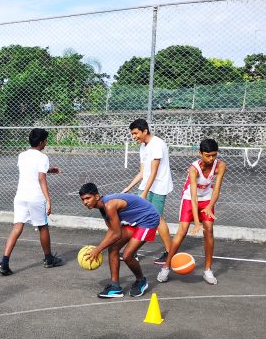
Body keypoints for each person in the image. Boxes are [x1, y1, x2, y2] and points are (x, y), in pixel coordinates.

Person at [157, 138, 227, 285]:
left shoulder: (220, 165)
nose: (211, 158)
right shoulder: (193, 169)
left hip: (208, 198)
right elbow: (194, 197)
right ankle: (166, 266)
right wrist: (196, 222)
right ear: (200, 153)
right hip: (190, 198)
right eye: (207, 155)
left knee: (208, 229)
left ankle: (208, 270)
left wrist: (209, 206)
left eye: (214, 155)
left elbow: (217, 190)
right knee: (182, 231)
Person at [0, 127, 64, 275]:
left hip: (20, 196)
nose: (46, 142)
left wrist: (50, 169)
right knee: (43, 227)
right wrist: (48, 199)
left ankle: (4, 262)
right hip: (36, 197)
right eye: (46, 140)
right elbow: (40, 178)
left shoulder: (22, 155)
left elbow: (31, 170)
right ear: (41, 142)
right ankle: (48, 259)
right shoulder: (42, 157)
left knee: (17, 227)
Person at [78, 182, 161, 298]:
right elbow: (112, 231)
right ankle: (115, 287)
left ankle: (141, 280)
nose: (85, 202)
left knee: (127, 255)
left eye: (88, 198)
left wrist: (98, 249)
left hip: (148, 219)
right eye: (83, 199)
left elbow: (116, 234)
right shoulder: (102, 208)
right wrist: (100, 248)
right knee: (113, 248)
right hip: (135, 221)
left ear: (96, 196)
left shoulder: (109, 205)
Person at [122, 118, 173, 265]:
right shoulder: (143, 147)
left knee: (157, 219)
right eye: (132, 134)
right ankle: (133, 252)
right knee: (137, 218)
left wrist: (144, 194)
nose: (134, 137)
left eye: (136, 133)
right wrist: (128, 188)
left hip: (158, 186)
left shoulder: (157, 144)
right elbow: (143, 172)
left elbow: (154, 172)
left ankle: (169, 253)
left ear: (145, 131)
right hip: (146, 185)